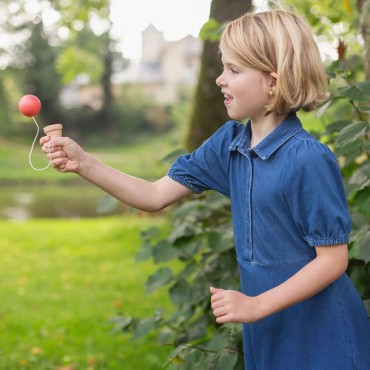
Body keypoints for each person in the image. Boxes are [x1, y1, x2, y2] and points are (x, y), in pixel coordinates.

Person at [41, 7, 370, 370]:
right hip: (268, 328)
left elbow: (333, 260)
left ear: (273, 81)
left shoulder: (308, 158)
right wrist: (83, 163)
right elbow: (153, 196)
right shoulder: (228, 145)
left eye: (234, 70)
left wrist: (256, 304)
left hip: (325, 338)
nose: (219, 80)